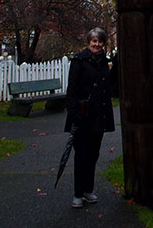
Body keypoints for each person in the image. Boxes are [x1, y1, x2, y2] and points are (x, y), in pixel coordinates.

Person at [65, 27, 115, 208]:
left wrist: (115, 66)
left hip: (98, 115)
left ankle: (88, 189)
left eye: (100, 41)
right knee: (81, 155)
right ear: (88, 42)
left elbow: (110, 85)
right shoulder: (79, 61)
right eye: (94, 41)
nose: (97, 44)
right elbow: (71, 90)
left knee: (93, 154)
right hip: (83, 114)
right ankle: (77, 193)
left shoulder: (103, 62)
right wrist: (74, 113)